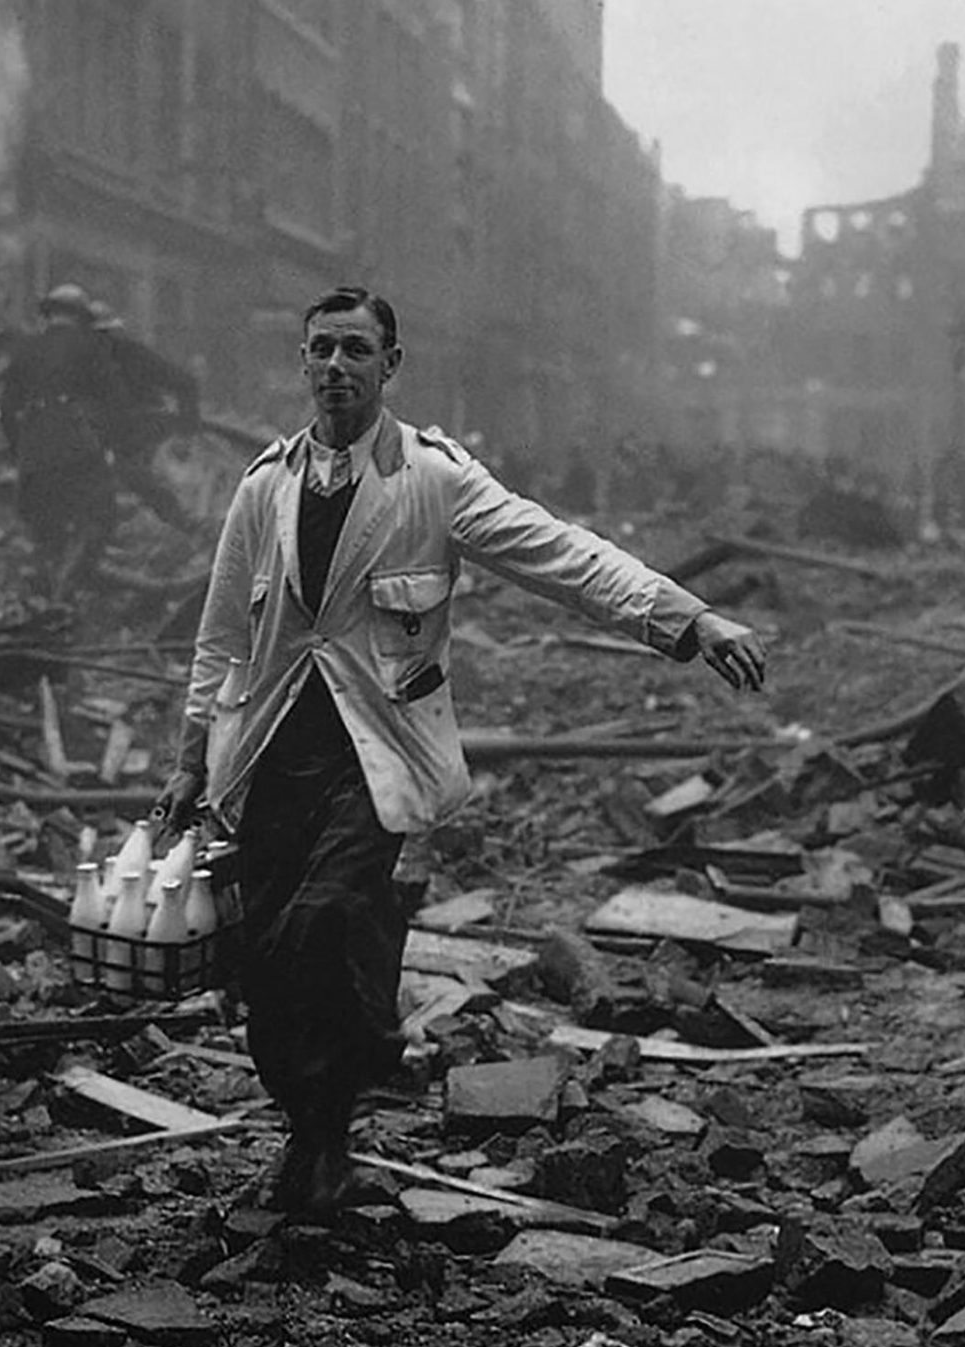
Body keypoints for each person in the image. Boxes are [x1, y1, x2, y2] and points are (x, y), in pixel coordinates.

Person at [156, 285, 767, 1223]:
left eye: (357, 351)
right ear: (301, 361)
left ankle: (338, 1113)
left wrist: (687, 618)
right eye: (321, 350)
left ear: (390, 367)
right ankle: (313, 1136)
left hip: (377, 754)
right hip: (271, 752)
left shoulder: (431, 481)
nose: (335, 369)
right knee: (270, 965)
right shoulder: (263, 488)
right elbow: (219, 639)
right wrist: (190, 758)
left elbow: (561, 555)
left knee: (329, 921)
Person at [0, 284, 126, 596]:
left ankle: (43, 596)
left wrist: (21, 451)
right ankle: (69, 586)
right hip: (77, 448)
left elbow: (6, 410)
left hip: (35, 452)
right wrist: (107, 444)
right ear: (81, 315)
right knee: (101, 515)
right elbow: (115, 401)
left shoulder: (26, 348)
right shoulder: (91, 346)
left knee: (43, 529)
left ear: (49, 313)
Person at [89, 300, 201, 536]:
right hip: (99, 435)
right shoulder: (79, 364)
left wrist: (186, 433)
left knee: (132, 473)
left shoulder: (133, 356)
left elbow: (185, 383)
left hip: (139, 431)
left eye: (101, 336)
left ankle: (179, 520)